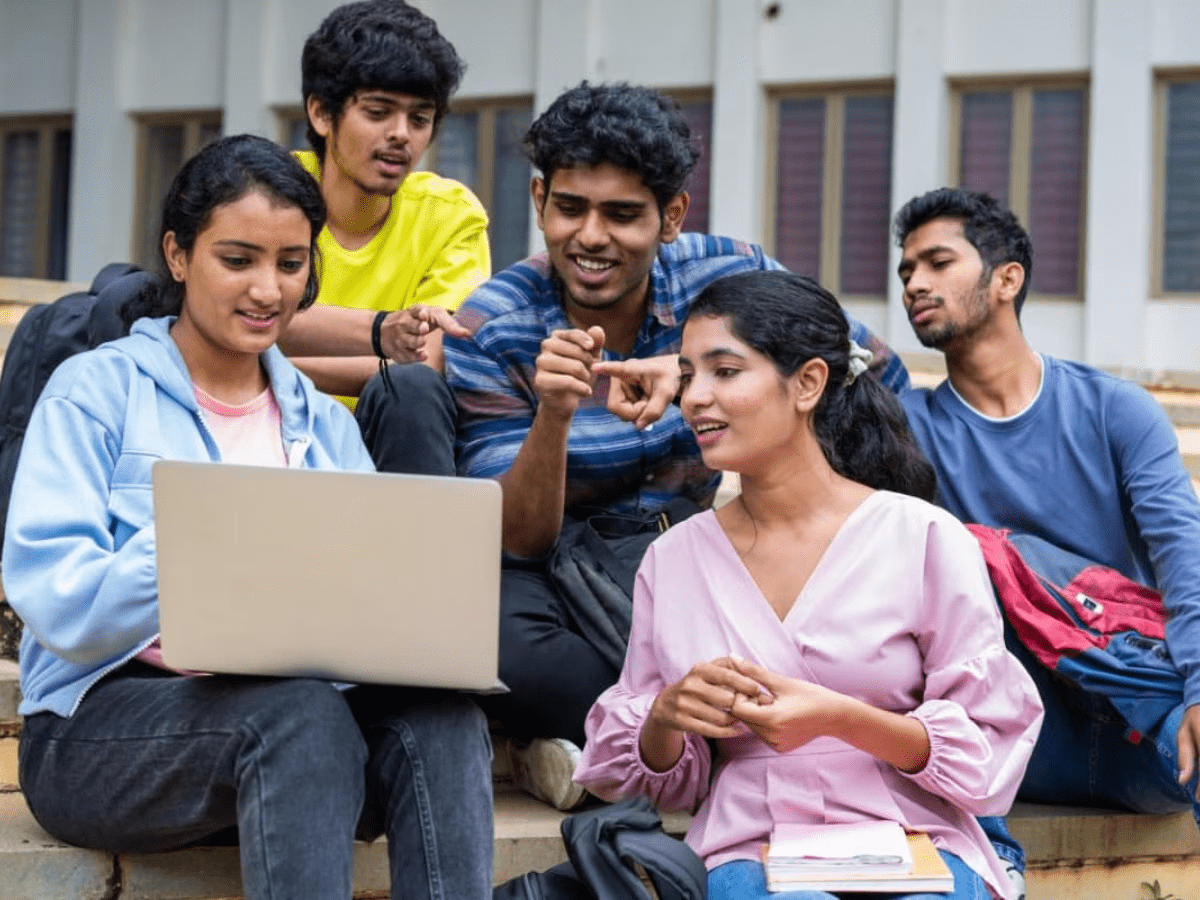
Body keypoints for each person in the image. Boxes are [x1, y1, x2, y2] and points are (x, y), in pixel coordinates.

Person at [4, 135, 493, 900]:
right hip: (96, 735)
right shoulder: (94, 392)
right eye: (238, 260)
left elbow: (360, 620)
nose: (268, 290)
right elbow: (60, 608)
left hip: (291, 744)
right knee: (296, 717)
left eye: (291, 264)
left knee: (443, 717)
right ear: (178, 255)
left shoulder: (325, 425)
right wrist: (206, 539)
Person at [444, 81, 910, 809]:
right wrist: (554, 418)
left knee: (743, 655)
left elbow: (872, 365)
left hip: (698, 546)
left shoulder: (727, 278)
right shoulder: (494, 323)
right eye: (569, 208)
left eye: (623, 215)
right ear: (539, 201)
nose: (591, 236)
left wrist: (698, 369)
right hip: (552, 565)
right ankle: (654, 740)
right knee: (494, 647)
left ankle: (601, 748)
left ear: (672, 217)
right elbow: (519, 538)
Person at [573, 270, 1043, 900]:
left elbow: (988, 748)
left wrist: (839, 718)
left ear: (808, 383)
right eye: (687, 376)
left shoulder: (924, 536)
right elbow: (665, 783)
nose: (694, 399)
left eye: (725, 371)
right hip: (751, 844)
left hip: (914, 839)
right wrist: (665, 717)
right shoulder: (673, 559)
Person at [893, 187, 1200, 880]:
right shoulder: (907, 430)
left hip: (1131, 712)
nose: (914, 283)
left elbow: (1186, 559)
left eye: (937, 262)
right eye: (906, 270)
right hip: (1007, 741)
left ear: (1007, 279)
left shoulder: (1114, 410)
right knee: (966, 555)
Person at [280, 0, 487, 475]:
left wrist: (266, 367)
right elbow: (209, 319)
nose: (401, 136)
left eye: (419, 119)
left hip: (380, 444)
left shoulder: (450, 215)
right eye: (378, 112)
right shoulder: (268, 194)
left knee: (410, 390)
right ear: (320, 113)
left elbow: (424, 365)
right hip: (258, 422)